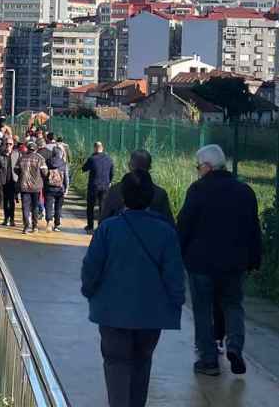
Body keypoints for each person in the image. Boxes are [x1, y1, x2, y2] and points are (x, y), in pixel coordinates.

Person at [81, 170, 185, 407]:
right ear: (150, 197)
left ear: (123, 197)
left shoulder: (108, 229)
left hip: (112, 312)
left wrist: (89, 290)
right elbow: (174, 275)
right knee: (142, 362)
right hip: (151, 315)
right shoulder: (166, 232)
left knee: (116, 363)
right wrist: (176, 300)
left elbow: (91, 267)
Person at [177, 144, 260, 377]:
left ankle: (208, 359)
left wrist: (177, 253)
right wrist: (254, 260)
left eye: (198, 167)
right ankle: (234, 347)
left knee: (203, 310)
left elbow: (184, 225)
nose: (197, 171)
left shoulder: (198, 190)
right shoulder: (245, 191)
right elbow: (254, 229)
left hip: (201, 263)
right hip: (234, 263)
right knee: (233, 305)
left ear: (207, 166)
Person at [99, 149, 173, 224]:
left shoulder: (115, 190)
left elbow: (103, 220)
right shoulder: (160, 194)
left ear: (129, 165)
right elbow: (169, 223)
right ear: (150, 168)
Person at [14, 140, 48, 234]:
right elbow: (45, 172)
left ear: (28, 148)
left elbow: (16, 169)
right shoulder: (40, 159)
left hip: (24, 186)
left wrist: (22, 174)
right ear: (35, 149)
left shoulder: (22, 158)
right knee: (35, 207)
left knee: (25, 207)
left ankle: (26, 226)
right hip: (36, 187)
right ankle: (35, 226)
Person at [81, 141, 114, 233]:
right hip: (105, 185)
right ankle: (101, 226)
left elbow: (84, 168)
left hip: (94, 186)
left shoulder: (92, 159)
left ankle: (90, 227)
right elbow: (112, 172)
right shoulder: (109, 159)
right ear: (102, 148)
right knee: (102, 207)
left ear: (95, 148)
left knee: (90, 206)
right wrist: (109, 181)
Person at [0, 138, 20, 227]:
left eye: (10, 144)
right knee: (5, 201)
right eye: (7, 144)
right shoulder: (1, 155)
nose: (8, 146)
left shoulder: (16, 154)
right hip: (4, 181)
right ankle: (6, 218)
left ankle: (12, 219)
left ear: (13, 145)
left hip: (13, 181)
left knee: (12, 201)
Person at [44, 144, 68, 232]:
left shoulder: (47, 162)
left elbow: (44, 174)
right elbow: (66, 177)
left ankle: (48, 221)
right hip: (60, 188)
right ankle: (56, 224)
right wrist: (66, 188)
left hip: (49, 187)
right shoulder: (63, 163)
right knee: (58, 207)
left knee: (48, 205)